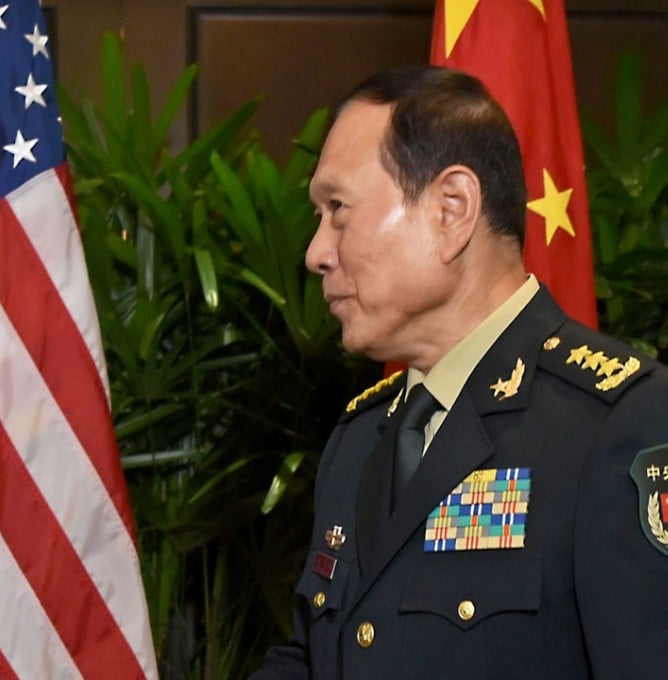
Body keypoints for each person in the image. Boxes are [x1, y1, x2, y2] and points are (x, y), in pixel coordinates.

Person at [252, 64, 668, 679]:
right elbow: (319, 658)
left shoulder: (618, 422)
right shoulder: (361, 437)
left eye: (338, 209)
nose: (316, 252)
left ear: (452, 209)